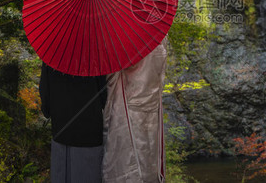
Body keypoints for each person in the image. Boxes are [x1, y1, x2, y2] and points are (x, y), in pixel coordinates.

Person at [103, 37, 169, 183]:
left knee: (127, 164)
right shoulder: (160, 36)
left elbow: (111, 75)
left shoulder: (123, 37)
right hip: (151, 103)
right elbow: (161, 73)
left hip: (126, 104)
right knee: (150, 160)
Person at [39, 63, 107, 183]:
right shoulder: (95, 55)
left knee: (61, 175)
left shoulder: (52, 54)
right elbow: (104, 96)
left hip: (61, 127)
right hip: (88, 130)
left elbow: (44, 91)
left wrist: (49, 111)